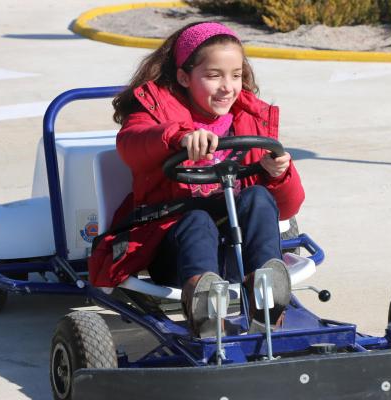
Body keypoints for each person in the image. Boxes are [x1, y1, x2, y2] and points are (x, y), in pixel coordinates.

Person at [89, 21, 305, 337]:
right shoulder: (155, 110)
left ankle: (267, 297)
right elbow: (131, 144)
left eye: (235, 76)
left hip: (236, 252)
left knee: (259, 197)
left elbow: (287, 208)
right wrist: (177, 137)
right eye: (213, 75)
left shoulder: (249, 119)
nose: (227, 87)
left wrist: (279, 173)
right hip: (174, 251)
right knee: (197, 219)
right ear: (183, 76)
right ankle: (205, 311)